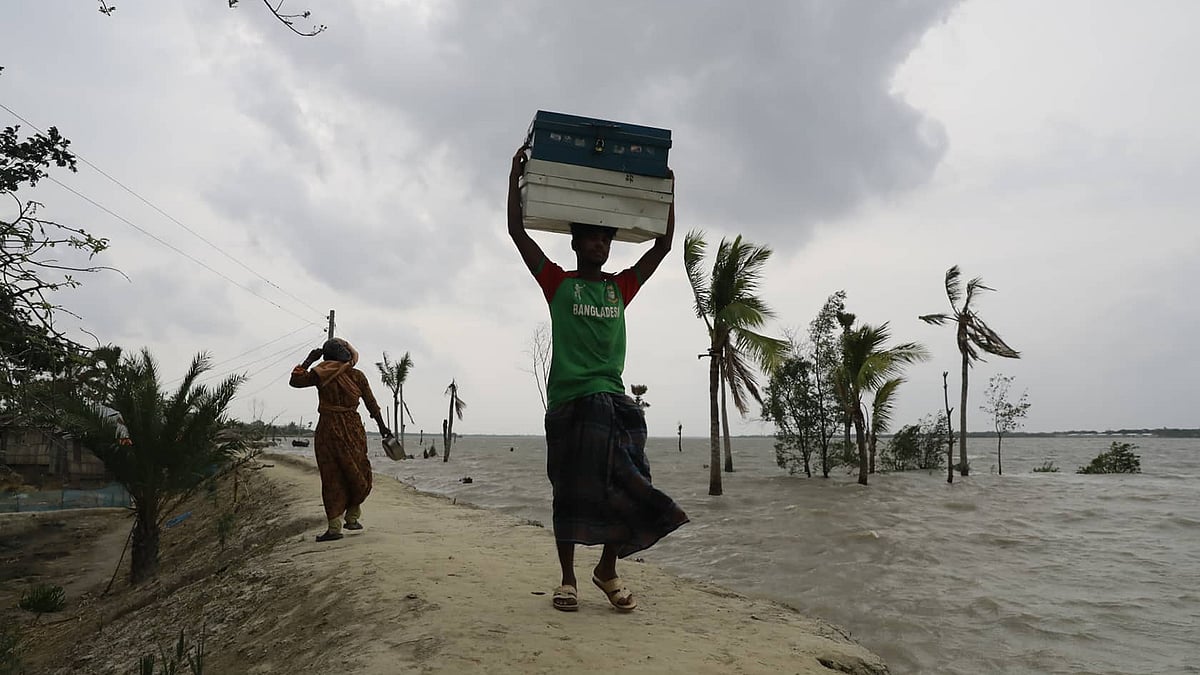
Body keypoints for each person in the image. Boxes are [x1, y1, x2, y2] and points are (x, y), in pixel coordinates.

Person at [508, 144, 689, 612]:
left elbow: (664, 246)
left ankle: (607, 569)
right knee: (567, 489)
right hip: (569, 401)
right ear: (575, 243)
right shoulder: (558, 284)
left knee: (632, 484)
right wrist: (516, 176)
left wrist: (668, 191)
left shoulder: (619, 287)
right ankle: (567, 579)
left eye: (605, 240)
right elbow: (516, 231)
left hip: (612, 400)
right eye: (591, 238)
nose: (599, 245)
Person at [289, 338, 390, 542]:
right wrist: (382, 428)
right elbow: (372, 404)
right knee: (357, 470)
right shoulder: (357, 375)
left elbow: (296, 381)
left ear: (326, 355)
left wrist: (309, 359)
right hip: (353, 428)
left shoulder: (320, 372)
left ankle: (335, 527)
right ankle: (352, 517)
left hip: (328, 428)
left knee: (332, 475)